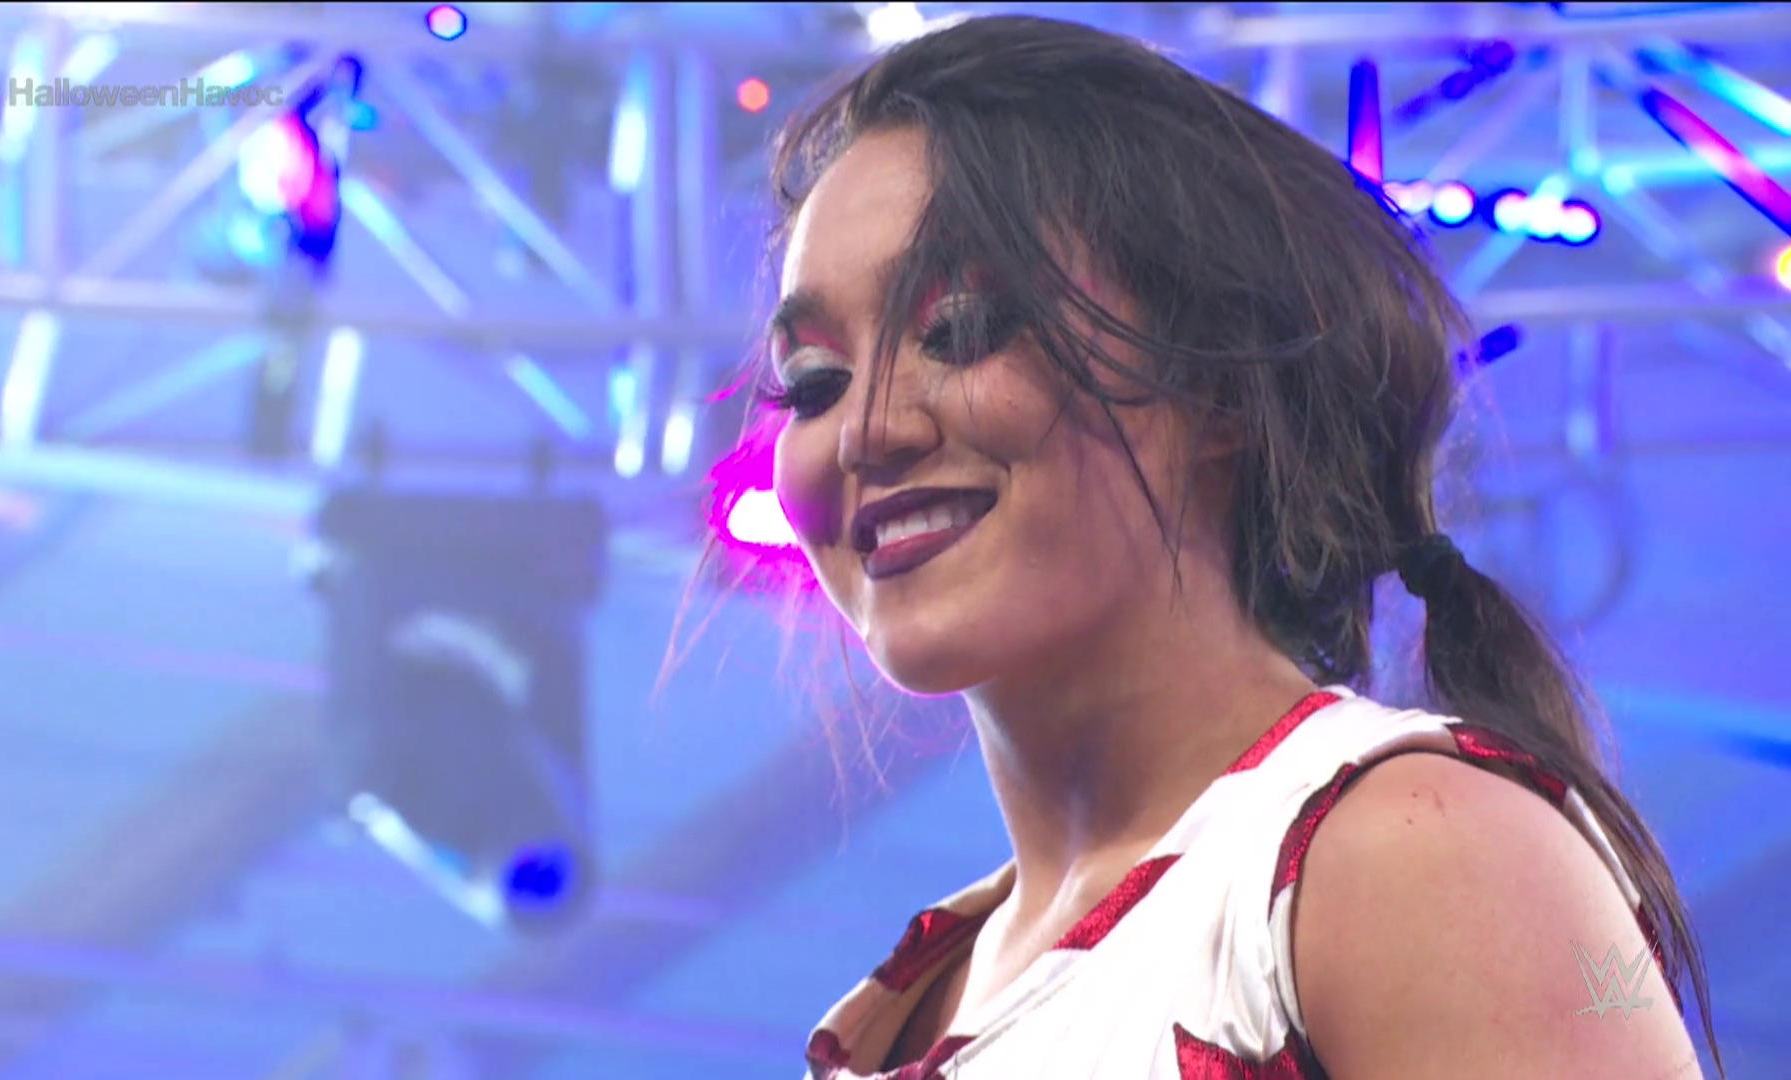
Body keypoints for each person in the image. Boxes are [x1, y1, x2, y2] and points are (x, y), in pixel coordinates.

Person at [712, 13, 1718, 1080]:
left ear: (1217, 381)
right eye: (814, 383)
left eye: (959, 329)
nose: (866, 430)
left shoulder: (1412, 850)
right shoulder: (908, 1006)